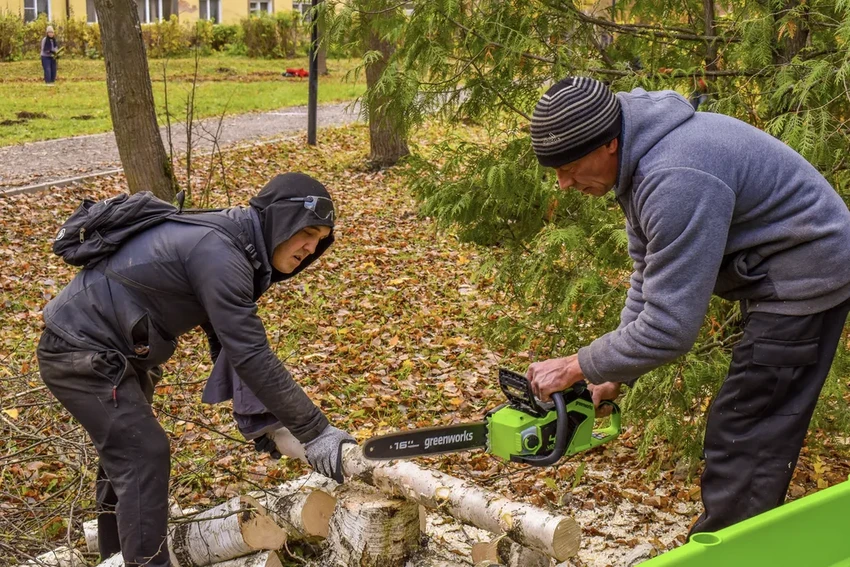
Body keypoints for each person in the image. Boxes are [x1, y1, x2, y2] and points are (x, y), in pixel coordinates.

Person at [525, 76, 850, 536]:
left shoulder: (675, 175)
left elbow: (670, 329)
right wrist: (611, 371)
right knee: (747, 419)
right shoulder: (640, 163)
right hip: (776, 271)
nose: (563, 183)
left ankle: (729, 553)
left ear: (609, 144)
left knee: (746, 428)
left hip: (807, 274)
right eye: (554, 170)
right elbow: (647, 277)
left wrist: (577, 365)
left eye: (571, 166)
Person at [37, 173, 356, 567]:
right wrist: (316, 431)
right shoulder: (220, 251)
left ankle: (115, 558)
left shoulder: (233, 244)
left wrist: (268, 425)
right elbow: (251, 353)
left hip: (111, 354)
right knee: (143, 453)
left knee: (125, 456)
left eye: (321, 239)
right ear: (279, 220)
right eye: (307, 232)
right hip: (80, 352)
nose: (312, 247)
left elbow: (228, 347)